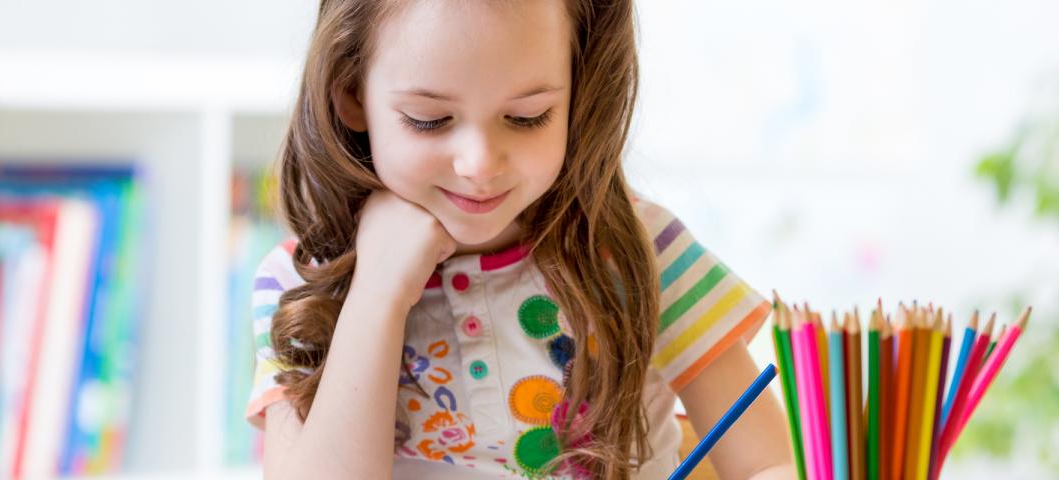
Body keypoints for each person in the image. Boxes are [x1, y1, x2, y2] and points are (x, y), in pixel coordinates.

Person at [246, 1, 795, 478]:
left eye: (526, 116)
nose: (480, 164)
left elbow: (772, 463)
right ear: (350, 93)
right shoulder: (301, 283)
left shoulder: (643, 250)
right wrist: (378, 292)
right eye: (429, 119)